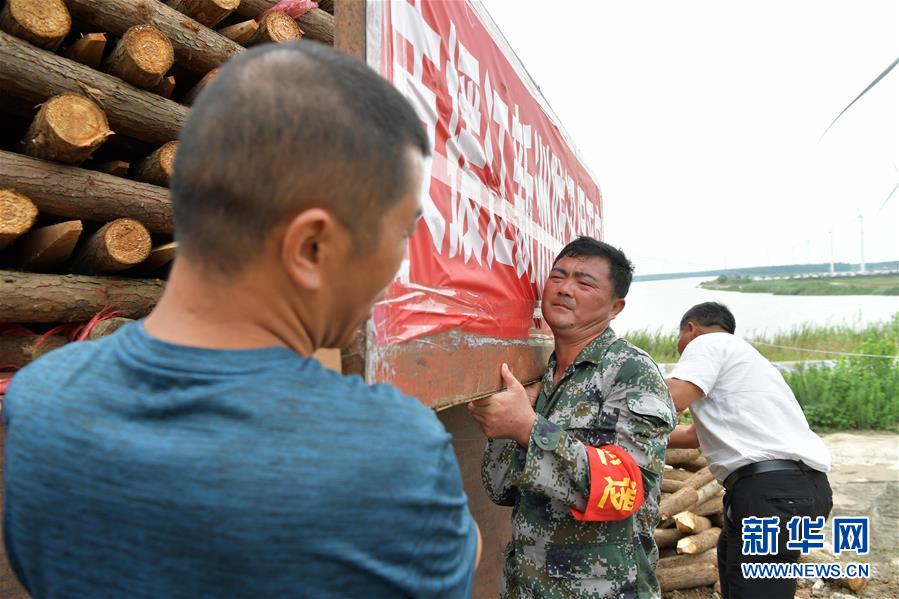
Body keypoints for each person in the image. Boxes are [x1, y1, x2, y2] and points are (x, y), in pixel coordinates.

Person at [3, 43, 479, 598]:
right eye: (401, 233)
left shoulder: (41, 398)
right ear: (313, 246)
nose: (399, 265)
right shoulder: (397, 455)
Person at [469, 237, 676, 598]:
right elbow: (500, 489)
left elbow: (629, 489)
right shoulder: (541, 378)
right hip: (527, 585)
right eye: (558, 276)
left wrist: (529, 428)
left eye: (584, 283)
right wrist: (503, 428)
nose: (565, 289)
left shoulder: (630, 371)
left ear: (616, 307)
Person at [666, 302, 832, 599]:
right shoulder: (747, 362)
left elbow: (673, 398)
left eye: (679, 342)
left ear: (691, 329)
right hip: (798, 491)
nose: (680, 353)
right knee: (741, 576)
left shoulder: (708, 342)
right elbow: (693, 437)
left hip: (771, 493)